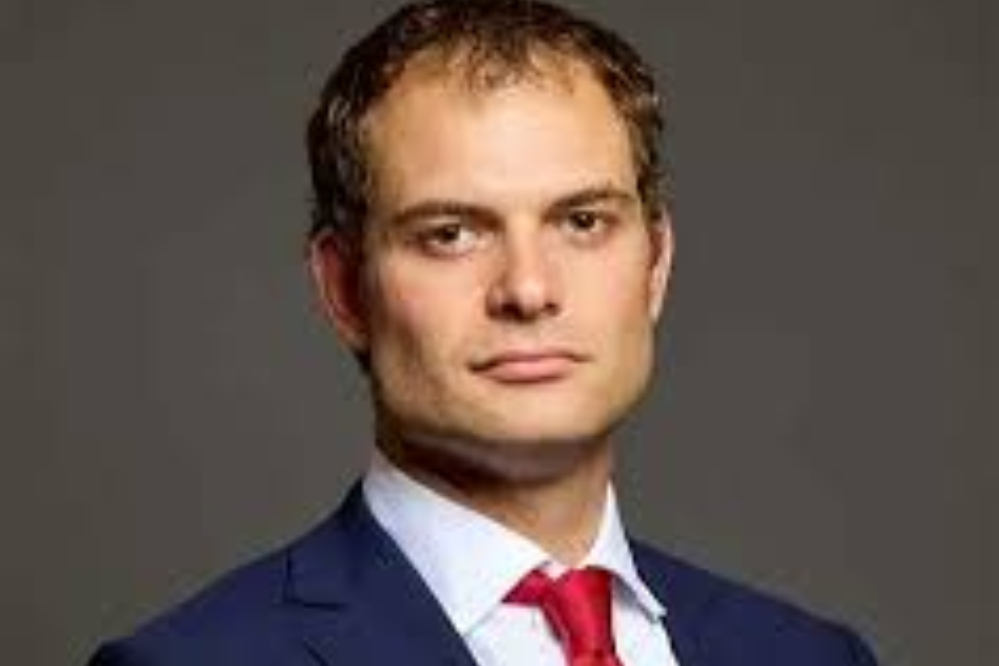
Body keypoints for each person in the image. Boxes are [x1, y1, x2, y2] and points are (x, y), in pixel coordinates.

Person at [88, 1, 880, 664]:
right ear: (343, 289)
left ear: (655, 262)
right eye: (450, 234)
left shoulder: (811, 657)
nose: (528, 290)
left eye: (582, 221)